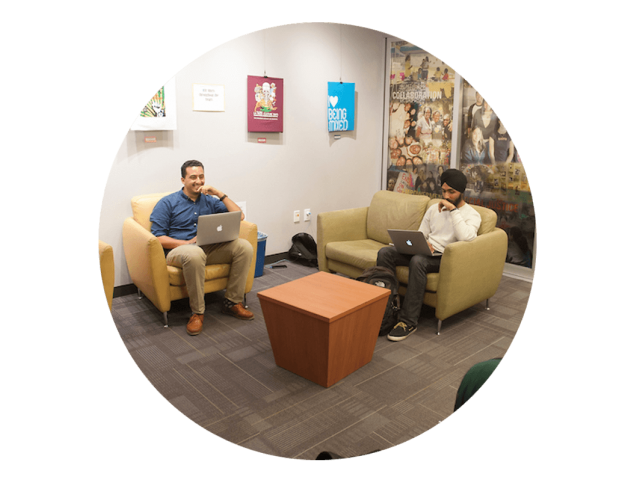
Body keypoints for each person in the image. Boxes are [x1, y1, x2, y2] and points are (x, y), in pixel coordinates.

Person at [150, 160, 255, 336]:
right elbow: (157, 238)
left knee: (244, 247)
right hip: (178, 251)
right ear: (183, 180)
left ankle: (232, 303)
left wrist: (219, 193)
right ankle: (197, 312)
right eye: (193, 177)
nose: (198, 181)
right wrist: (187, 243)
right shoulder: (167, 203)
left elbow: (240, 216)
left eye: (201, 176)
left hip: (206, 248)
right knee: (195, 253)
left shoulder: (210, 201)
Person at [376, 169, 482, 341]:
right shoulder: (434, 209)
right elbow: (422, 234)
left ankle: (408, 321)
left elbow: (467, 238)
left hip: (445, 257)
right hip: (426, 251)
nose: (446, 195)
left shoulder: (472, 214)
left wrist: (453, 210)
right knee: (385, 252)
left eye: (451, 192)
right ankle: (387, 311)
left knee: (418, 261)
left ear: (462, 192)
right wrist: (423, 244)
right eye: (444, 190)